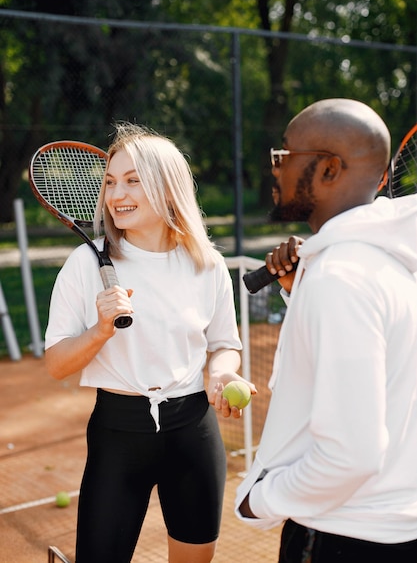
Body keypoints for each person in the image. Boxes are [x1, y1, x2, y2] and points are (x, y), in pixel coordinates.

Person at [44, 122, 256, 563]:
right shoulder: (85, 263)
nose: (116, 194)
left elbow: (223, 344)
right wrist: (100, 330)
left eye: (132, 181)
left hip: (193, 432)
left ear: (167, 187)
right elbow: (57, 364)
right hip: (119, 434)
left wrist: (221, 374)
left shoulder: (208, 264)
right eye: (109, 182)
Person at [235, 98, 417, 562]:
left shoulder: (340, 278)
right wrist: (300, 291)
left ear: (330, 170)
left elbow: (351, 455)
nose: (274, 169)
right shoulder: (385, 264)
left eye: (285, 155)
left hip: (340, 537)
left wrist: (262, 500)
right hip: (390, 530)